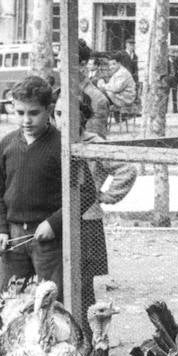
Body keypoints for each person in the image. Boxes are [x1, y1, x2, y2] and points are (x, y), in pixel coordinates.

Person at [0, 75, 63, 331]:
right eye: (19, 112)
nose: (26, 120)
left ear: (49, 110)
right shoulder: (8, 144)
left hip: (48, 240)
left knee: (51, 306)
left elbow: (83, 194)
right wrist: (0, 230)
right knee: (5, 304)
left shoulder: (62, 147)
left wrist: (54, 222)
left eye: (34, 113)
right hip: (13, 237)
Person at [59, 93, 137, 310]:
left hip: (87, 219)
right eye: (57, 114)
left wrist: (106, 195)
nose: (61, 121)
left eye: (68, 116)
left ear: (83, 117)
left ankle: (89, 332)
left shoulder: (94, 144)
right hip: (58, 217)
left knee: (84, 283)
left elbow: (127, 168)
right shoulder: (53, 141)